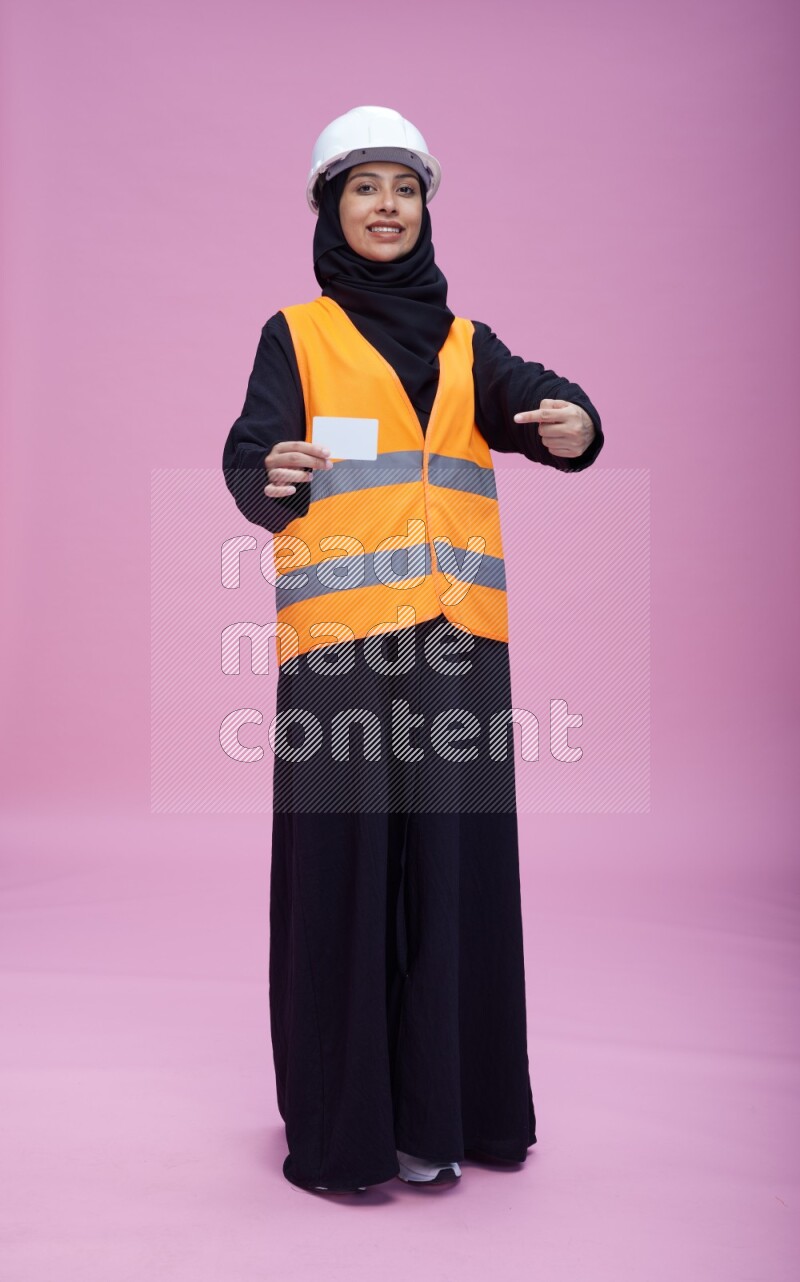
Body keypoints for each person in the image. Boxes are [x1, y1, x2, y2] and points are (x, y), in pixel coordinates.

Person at [222, 105, 604, 1195]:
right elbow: (250, 450)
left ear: (426, 207)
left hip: (455, 648)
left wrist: (573, 418)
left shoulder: (464, 342)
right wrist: (269, 475)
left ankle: (446, 1116)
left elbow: (533, 400)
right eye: (362, 186)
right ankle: (345, 1135)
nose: (385, 205)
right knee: (341, 881)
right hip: (340, 651)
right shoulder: (292, 336)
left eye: (404, 186)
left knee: (453, 875)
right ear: (329, 208)